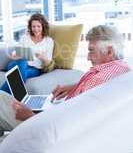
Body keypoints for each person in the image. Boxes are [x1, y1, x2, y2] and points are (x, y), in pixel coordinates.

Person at [0, 25, 131, 131]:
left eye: (92, 50)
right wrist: (76, 86)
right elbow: (92, 90)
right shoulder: (122, 68)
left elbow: (66, 128)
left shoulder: (99, 80)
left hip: (42, 123)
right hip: (55, 112)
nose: (88, 57)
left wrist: (30, 116)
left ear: (109, 51)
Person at [0, 13, 54, 94]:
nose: (36, 29)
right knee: (23, 60)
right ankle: (18, 93)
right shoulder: (25, 37)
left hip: (34, 69)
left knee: (18, 74)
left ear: (43, 26)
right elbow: (15, 53)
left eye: (38, 26)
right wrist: (16, 55)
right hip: (15, 64)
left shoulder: (48, 41)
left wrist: (43, 58)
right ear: (30, 27)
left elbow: (48, 63)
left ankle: (3, 93)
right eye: (33, 26)